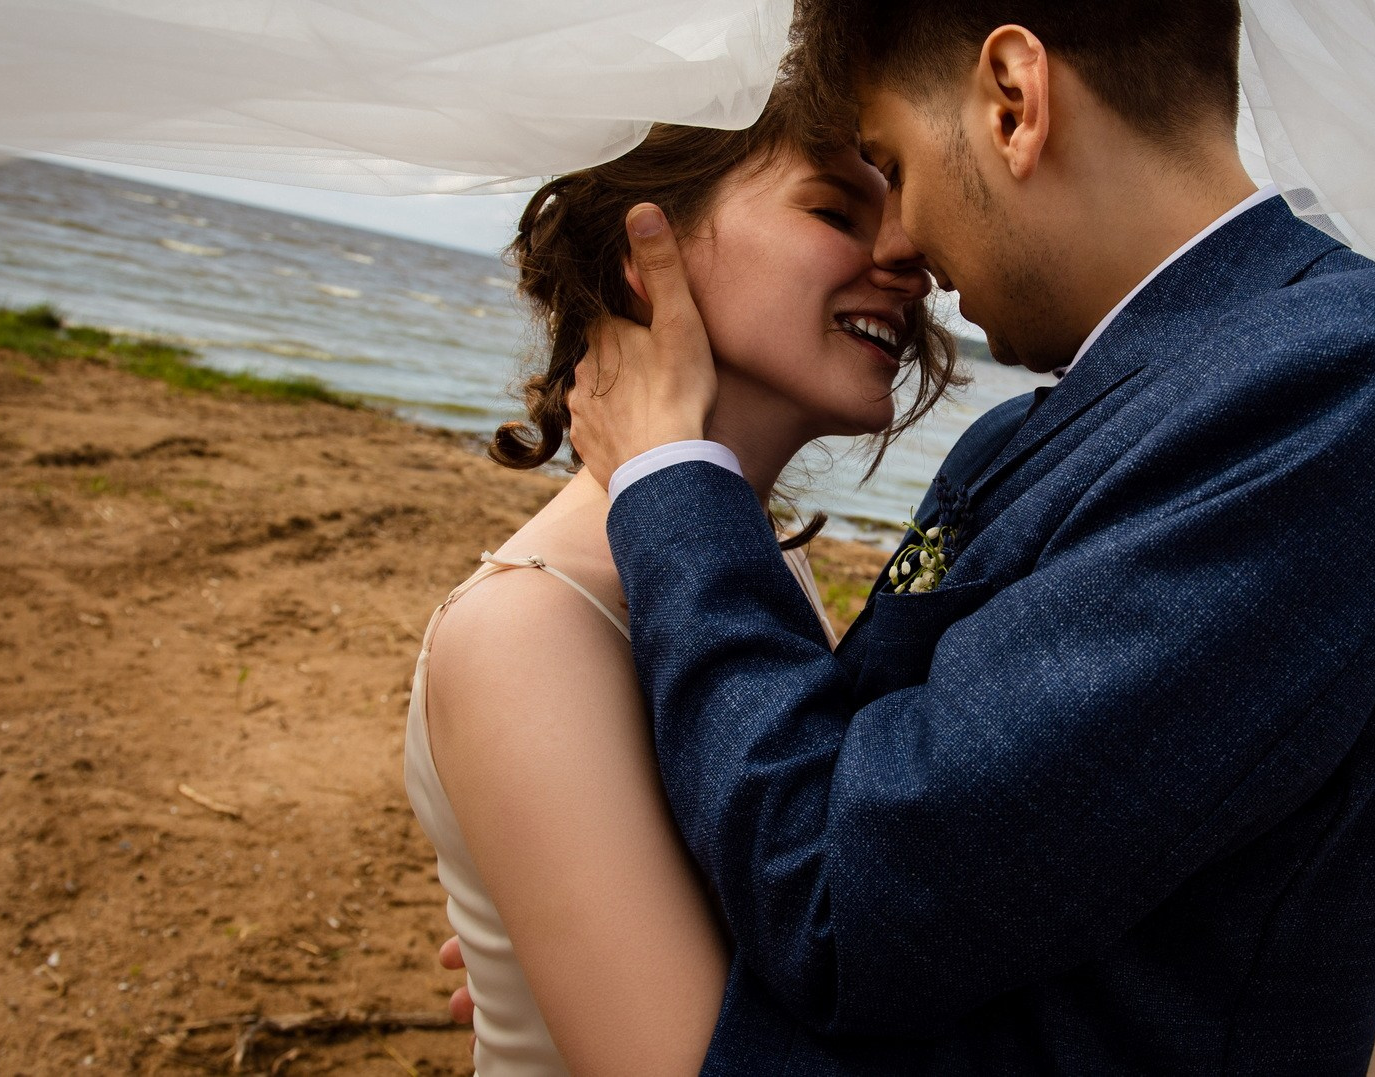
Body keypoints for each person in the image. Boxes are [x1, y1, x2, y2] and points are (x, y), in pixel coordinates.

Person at [561, 0, 1375, 1075]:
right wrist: (592, 928)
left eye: (889, 166)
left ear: (1011, 98)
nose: (893, 246)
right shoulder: (1055, 423)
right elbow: (836, 779)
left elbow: (845, 897)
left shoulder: (1336, 385)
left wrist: (675, 475)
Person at [404, 92, 959, 1076]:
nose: (908, 253)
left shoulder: (751, 560)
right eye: (834, 212)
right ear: (642, 251)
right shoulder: (531, 627)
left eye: (900, 201)